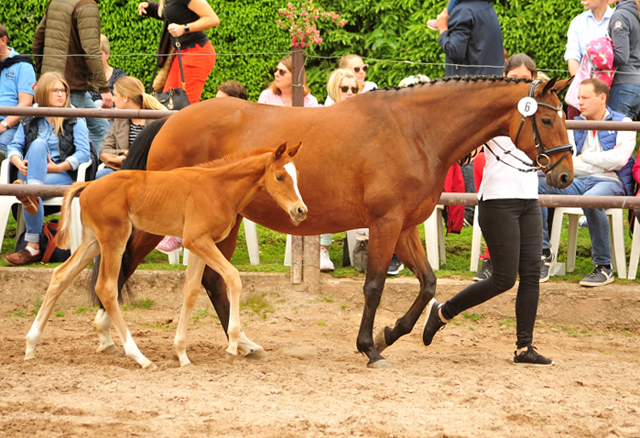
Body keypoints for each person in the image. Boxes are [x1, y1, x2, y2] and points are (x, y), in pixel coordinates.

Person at [421, 54, 554, 367]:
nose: (520, 86)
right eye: (514, 79)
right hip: (497, 201)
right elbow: (466, 151)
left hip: (528, 199)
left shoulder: (536, 115)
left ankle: (524, 348)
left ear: (534, 81)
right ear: (505, 78)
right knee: (503, 279)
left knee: (532, 275)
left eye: (526, 80)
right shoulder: (491, 114)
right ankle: (442, 312)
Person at [539, 78, 636, 287]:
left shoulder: (624, 123)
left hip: (610, 182)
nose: (578, 102)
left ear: (602, 98)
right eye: (578, 97)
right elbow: (568, 163)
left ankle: (603, 266)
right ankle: (543, 255)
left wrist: (585, 158)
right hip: (576, 179)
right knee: (537, 185)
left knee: (590, 199)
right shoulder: (572, 123)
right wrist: (599, 161)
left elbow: (620, 160)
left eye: (584, 97)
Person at [4, 72, 91, 266]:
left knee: (31, 184)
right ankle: (32, 191)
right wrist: (19, 163)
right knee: (37, 145)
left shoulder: (73, 117)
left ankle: (32, 244)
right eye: (56, 90)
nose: (61, 95)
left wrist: (58, 166)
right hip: (26, 172)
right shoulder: (30, 118)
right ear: (43, 92)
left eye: (64, 90)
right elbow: (14, 147)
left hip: (60, 174)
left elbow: (84, 153)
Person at [32, 0, 112, 152]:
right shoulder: (86, 5)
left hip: (62, 84)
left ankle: (91, 171)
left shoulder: (56, 2)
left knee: (100, 128)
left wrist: (43, 78)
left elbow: (38, 40)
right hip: (70, 86)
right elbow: (91, 50)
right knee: (69, 136)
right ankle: (75, 173)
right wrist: (104, 88)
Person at [138, 0, 220, 105]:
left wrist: (184, 28)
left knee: (187, 104)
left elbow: (213, 19)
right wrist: (150, 7)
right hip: (181, 53)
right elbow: (174, 13)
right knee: (168, 100)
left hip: (197, 52)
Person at [318, 69, 360, 271]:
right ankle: (321, 248)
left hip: (352, 175)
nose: (350, 92)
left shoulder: (360, 116)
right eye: (345, 88)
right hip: (325, 175)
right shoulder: (323, 114)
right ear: (334, 90)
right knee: (328, 192)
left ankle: (363, 248)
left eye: (354, 89)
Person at [96, 76, 165, 179]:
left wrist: (131, 155)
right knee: (103, 174)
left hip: (150, 171)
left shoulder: (156, 120)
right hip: (124, 169)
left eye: (115, 95)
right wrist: (125, 153)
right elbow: (105, 150)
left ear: (125, 98)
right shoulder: (119, 120)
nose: (113, 99)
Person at [564, 0, 614, 119]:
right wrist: (582, 87)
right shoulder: (577, 22)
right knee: (576, 128)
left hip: (610, 90)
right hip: (583, 87)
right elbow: (572, 56)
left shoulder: (617, 20)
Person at [436, 0, 504, 77]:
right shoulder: (486, 6)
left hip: (471, 85)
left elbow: (455, 52)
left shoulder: (463, 11)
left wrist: (443, 29)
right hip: (493, 81)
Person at [0, 23, 37, 162]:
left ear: (3, 40)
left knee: (2, 146)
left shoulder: (23, 65)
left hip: (12, 123)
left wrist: (3, 125)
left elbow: (26, 103)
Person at [607, 0, 640, 118]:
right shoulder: (635, 12)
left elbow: (621, 56)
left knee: (612, 133)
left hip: (623, 86)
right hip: (636, 85)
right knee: (627, 134)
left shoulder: (620, 15)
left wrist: (599, 59)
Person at [89, 34, 128, 108]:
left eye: (100, 54)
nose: (96, 59)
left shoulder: (119, 76)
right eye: (93, 55)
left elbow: (124, 100)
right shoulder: (85, 76)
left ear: (107, 54)